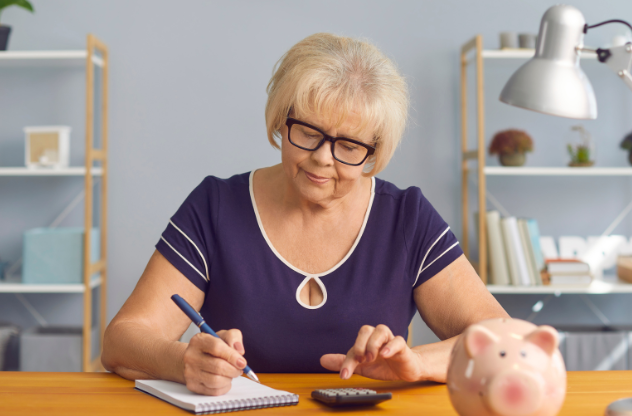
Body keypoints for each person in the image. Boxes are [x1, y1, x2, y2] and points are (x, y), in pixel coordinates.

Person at [102, 33, 509, 395]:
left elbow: (503, 336)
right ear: (281, 119)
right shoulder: (216, 206)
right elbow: (121, 340)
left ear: (374, 150)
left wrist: (417, 364)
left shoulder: (407, 218)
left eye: (349, 146)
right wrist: (182, 361)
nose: (321, 159)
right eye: (308, 133)